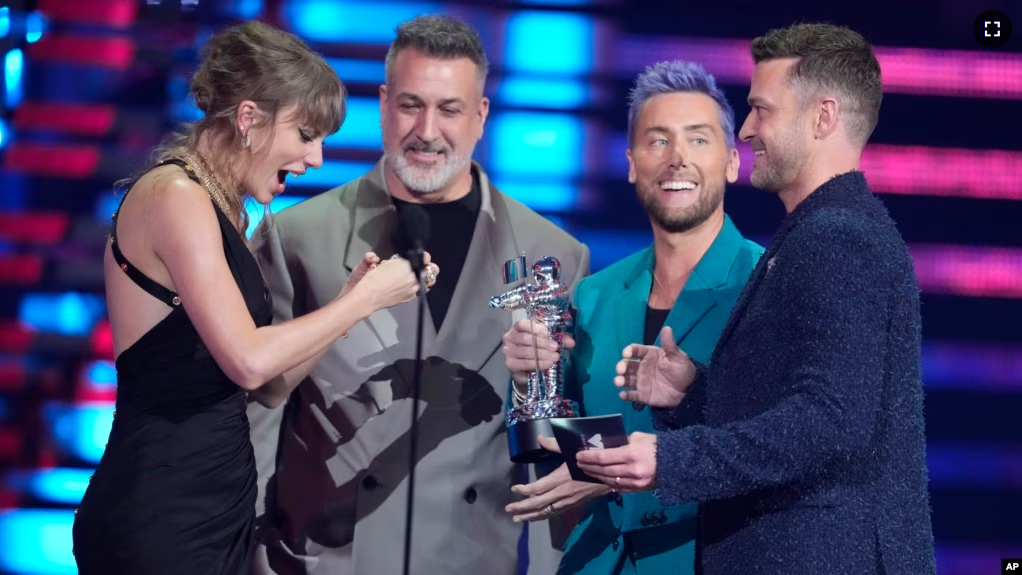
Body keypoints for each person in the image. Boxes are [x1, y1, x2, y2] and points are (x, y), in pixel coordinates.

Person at [574, 23, 936, 575]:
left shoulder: (837, 237)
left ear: (823, 118)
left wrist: (672, 458)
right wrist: (695, 392)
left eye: (762, 110)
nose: (746, 130)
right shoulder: (812, 235)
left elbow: (830, 421)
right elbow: (800, 404)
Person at [70, 20, 428, 575]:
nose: (315, 161)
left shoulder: (225, 208)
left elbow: (268, 386)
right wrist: (358, 304)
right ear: (248, 119)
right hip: (162, 514)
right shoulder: (176, 196)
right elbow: (248, 359)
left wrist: (359, 298)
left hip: (217, 509)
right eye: (306, 136)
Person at [246, 14, 590, 575]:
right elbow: (256, 415)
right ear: (383, 105)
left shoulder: (553, 256)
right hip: (324, 562)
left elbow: (554, 443)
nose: (428, 130)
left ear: (480, 116)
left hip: (471, 559)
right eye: (410, 105)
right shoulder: (298, 238)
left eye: (449, 109)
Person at [501, 60, 762, 575]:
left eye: (698, 140)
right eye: (657, 141)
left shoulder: (767, 284)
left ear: (732, 162)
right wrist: (529, 377)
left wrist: (609, 472)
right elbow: (551, 441)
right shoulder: (595, 295)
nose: (677, 159)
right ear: (630, 163)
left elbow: (779, 442)